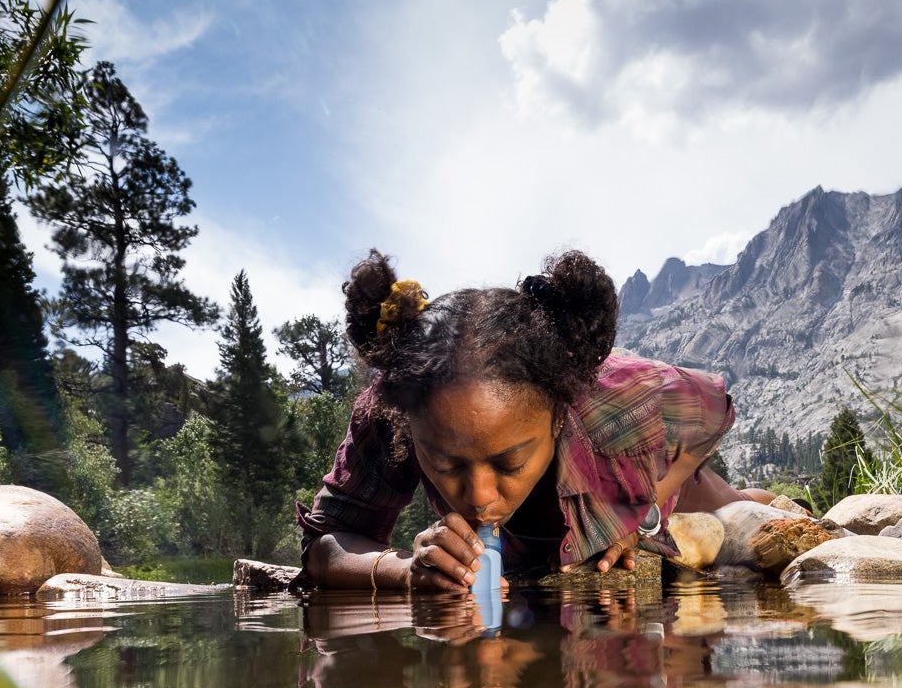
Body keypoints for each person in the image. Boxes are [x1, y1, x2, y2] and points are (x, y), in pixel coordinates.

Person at [297, 248, 771, 592]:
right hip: (530, 552)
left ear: (559, 417)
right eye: (446, 464)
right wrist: (405, 570)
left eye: (509, 463)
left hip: (664, 487)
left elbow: (715, 410)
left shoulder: (613, 391)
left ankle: (768, 499)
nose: (479, 499)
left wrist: (643, 513)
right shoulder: (395, 407)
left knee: (741, 529)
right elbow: (324, 543)